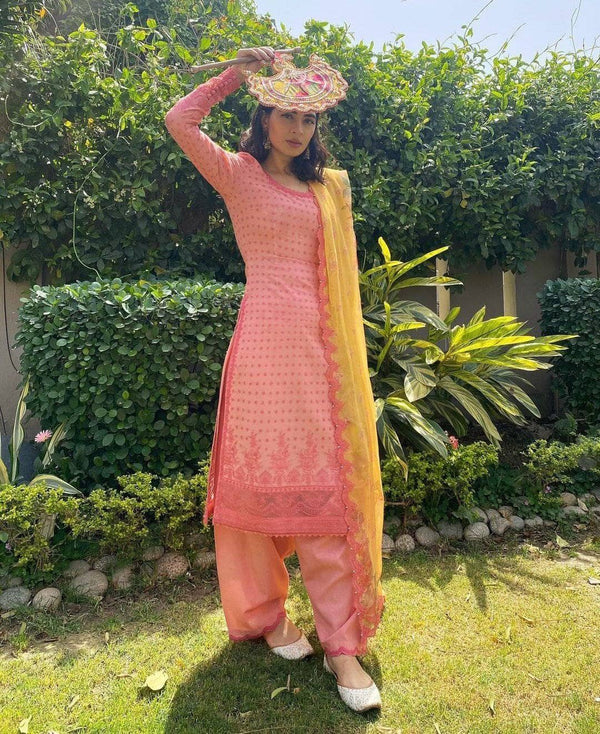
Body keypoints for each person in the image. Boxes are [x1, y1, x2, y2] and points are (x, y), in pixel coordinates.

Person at [165, 46, 385, 713]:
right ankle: (267, 616)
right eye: (285, 115)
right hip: (262, 347)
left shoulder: (329, 189)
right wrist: (234, 75)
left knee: (325, 495)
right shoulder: (238, 175)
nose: (297, 128)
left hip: (320, 352)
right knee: (255, 490)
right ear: (262, 119)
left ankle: (341, 646)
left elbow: (337, 280)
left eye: (308, 118)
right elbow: (179, 121)